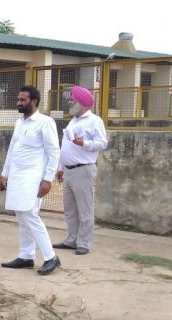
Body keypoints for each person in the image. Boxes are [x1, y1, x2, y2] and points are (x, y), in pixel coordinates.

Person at [0, 85, 61, 275]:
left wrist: (48, 179)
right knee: (21, 215)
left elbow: (54, 152)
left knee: (30, 215)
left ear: (35, 101)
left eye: (23, 100)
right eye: (18, 99)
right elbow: (12, 150)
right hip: (17, 175)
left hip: (34, 177)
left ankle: (51, 257)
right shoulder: (19, 122)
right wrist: (4, 173)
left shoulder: (45, 122)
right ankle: (26, 256)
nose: (18, 103)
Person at [52, 86, 108, 255]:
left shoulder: (94, 121)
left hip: (83, 170)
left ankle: (84, 243)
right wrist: (60, 168)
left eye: (72, 99)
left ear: (82, 102)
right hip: (69, 170)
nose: (69, 102)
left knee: (84, 209)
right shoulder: (74, 120)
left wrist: (84, 143)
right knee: (70, 209)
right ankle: (71, 240)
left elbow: (102, 143)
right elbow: (66, 146)